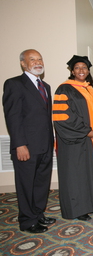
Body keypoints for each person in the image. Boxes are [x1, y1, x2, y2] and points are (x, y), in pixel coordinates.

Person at [2, 49, 55, 233]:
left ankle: (38, 215)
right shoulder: (14, 84)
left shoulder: (45, 86)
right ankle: (27, 221)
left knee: (41, 183)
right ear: (23, 64)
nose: (37, 62)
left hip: (45, 146)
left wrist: (52, 143)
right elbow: (13, 117)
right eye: (32, 59)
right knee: (26, 186)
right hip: (26, 147)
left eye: (40, 59)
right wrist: (19, 144)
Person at [53, 55, 93, 221]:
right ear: (72, 71)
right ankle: (78, 209)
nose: (81, 71)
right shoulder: (64, 89)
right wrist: (89, 132)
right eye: (77, 68)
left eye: (84, 68)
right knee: (76, 175)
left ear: (88, 70)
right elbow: (64, 117)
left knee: (91, 172)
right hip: (75, 141)